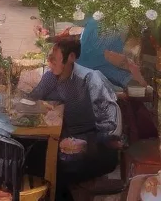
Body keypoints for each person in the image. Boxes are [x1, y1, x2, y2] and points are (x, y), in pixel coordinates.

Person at [29, 38, 121, 200]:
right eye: (49, 56)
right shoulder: (51, 77)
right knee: (30, 157)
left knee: (57, 166)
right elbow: (30, 102)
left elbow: (109, 122)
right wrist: (40, 104)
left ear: (71, 57)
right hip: (61, 139)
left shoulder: (90, 79)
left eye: (53, 56)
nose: (49, 61)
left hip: (95, 143)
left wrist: (85, 144)